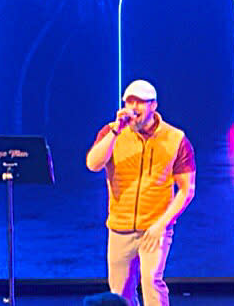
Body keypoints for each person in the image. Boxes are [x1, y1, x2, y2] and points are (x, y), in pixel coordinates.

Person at [86, 79, 196, 306]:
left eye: (140, 102)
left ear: (153, 105)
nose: (133, 108)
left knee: (151, 282)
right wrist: (115, 131)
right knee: (120, 293)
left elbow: (187, 190)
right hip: (120, 226)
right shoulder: (112, 132)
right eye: (129, 102)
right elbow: (93, 164)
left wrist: (161, 224)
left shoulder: (175, 138)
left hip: (155, 227)